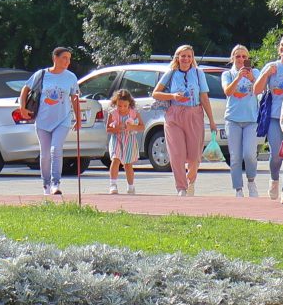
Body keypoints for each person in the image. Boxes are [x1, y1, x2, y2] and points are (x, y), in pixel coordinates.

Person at [151, 45, 217, 197]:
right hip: (174, 114)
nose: (186, 59)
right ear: (177, 58)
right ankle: (181, 187)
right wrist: (173, 96)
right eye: (183, 56)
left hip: (194, 113)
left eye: (189, 56)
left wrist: (212, 121)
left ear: (192, 58)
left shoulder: (198, 73)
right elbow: (156, 93)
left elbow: (204, 97)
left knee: (195, 155)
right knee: (177, 154)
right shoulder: (171, 73)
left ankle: (191, 180)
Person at [19, 47, 82, 197]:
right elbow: (25, 89)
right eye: (64, 58)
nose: (67, 61)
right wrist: (22, 108)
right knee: (45, 154)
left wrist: (78, 118)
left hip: (63, 120)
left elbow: (75, 97)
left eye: (69, 58)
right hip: (42, 120)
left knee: (56, 150)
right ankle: (45, 184)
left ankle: (56, 183)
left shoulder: (70, 77)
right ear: (55, 58)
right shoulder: (41, 74)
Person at [254, 34, 283, 204]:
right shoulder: (272, 66)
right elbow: (256, 90)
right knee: (276, 155)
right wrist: (265, 74)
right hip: (274, 116)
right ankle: (274, 179)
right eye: (282, 45)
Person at [222, 45, 261, 197]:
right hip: (233, 119)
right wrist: (238, 77)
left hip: (251, 119)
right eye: (238, 56)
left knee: (249, 154)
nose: (241, 60)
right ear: (232, 58)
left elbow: (260, 90)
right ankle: (238, 188)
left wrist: (251, 78)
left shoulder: (255, 72)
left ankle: (251, 180)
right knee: (235, 156)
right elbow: (228, 91)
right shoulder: (228, 74)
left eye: (244, 57)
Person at [105, 89, 143, 195]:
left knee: (128, 163)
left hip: (129, 139)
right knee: (115, 159)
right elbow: (108, 129)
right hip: (117, 138)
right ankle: (113, 184)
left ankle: (131, 186)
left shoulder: (134, 113)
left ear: (129, 104)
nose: (122, 108)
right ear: (115, 104)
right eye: (119, 106)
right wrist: (117, 128)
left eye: (125, 106)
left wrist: (132, 126)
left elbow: (142, 127)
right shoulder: (113, 113)